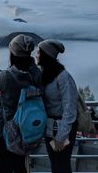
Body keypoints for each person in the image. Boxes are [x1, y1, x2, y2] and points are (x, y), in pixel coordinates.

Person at [0, 34, 41, 173]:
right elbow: (13, 77)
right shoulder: (36, 73)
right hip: (26, 128)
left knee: (4, 168)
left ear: (13, 53)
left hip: (6, 132)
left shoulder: (6, 78)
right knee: (19, 166)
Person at [36, 39, 78, 173]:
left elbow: (70, 109)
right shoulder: (46, 74)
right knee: (55, 165)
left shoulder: (64, 77)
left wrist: (61, 136)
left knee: (62, 166)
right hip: (50, 127)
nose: (36, 55)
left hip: (62, 128)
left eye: (39, 52)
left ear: (46, 55)